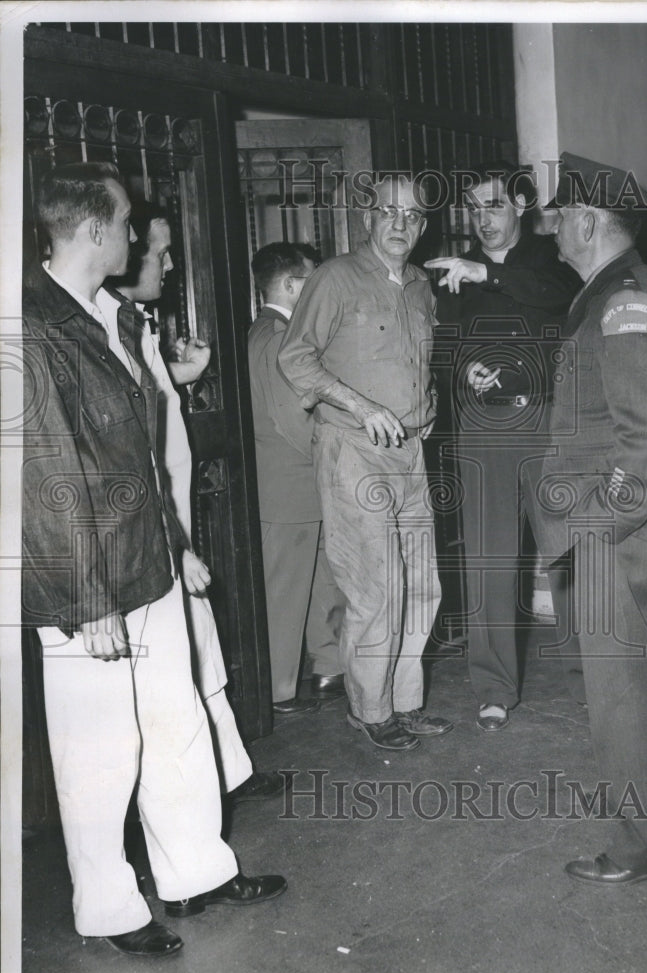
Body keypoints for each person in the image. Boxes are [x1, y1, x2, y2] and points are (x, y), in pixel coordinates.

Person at [21, 162, 286, 959]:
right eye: (128, 222)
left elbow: (138, 454)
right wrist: (86, 597)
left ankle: (195, 873)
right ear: (96, 230)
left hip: (149, 562)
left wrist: (176, 545)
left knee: (176, 722)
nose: (137, 236)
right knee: (98, 751)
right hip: (86, 581)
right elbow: (42, 473)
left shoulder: (113, 316)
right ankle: (108, 907)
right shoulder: (29, 325)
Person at [531, 152, 647, 884]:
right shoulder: (607, 292)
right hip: (609, 525)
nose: (551, 229)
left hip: (618, 530)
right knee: (626, 691)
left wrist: (597, 526)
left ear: (588, 220)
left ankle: (643, 850)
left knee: (629, 696)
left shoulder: (626, 302)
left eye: (557, 216)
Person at [105, 202, 287, 803]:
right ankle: (203, 790)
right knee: (177, 657)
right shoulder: (105, 323)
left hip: (174, 513)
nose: (168, 263)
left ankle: (230, 770)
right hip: (149, 530)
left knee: (200, 643)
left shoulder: (135, 319)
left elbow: (150, 395)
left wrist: (186, 372)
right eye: (157, 251)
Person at [278, 174, 452, 752]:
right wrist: (360, 404)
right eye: (388, 212)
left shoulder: (423, 286)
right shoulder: (334, 278)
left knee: (421, 586)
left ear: (423, 226)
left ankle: (405, 703)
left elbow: (420, 367)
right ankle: (370, 710)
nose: (400, 225)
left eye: (412, 215)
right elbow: (295, 357)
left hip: (411, 454)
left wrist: (425, 415)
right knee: (374, 589)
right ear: (367, 219)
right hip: (353, 449)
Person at [425, 162, 581, 732]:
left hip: (546, 422)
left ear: (520, 206)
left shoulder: (550, 255)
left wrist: (485, 272)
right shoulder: (453, 272)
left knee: (566, 550)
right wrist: (467, 371)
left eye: (492, 205)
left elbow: (556, 297)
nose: (481, 217)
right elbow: (445, 342)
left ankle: (590, 676)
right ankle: (492, 687)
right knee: (489, 560)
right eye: (472, 207)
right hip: (484, 427)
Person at [247, 242, 345, 715]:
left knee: (321, 583)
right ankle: (279, 692)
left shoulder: (278, 332)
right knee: (285, 593)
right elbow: (291, 419)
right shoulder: (276, 334)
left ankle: (329, 668)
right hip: (288, 485)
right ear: (289, 285)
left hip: (302, 486)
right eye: (311, 278)